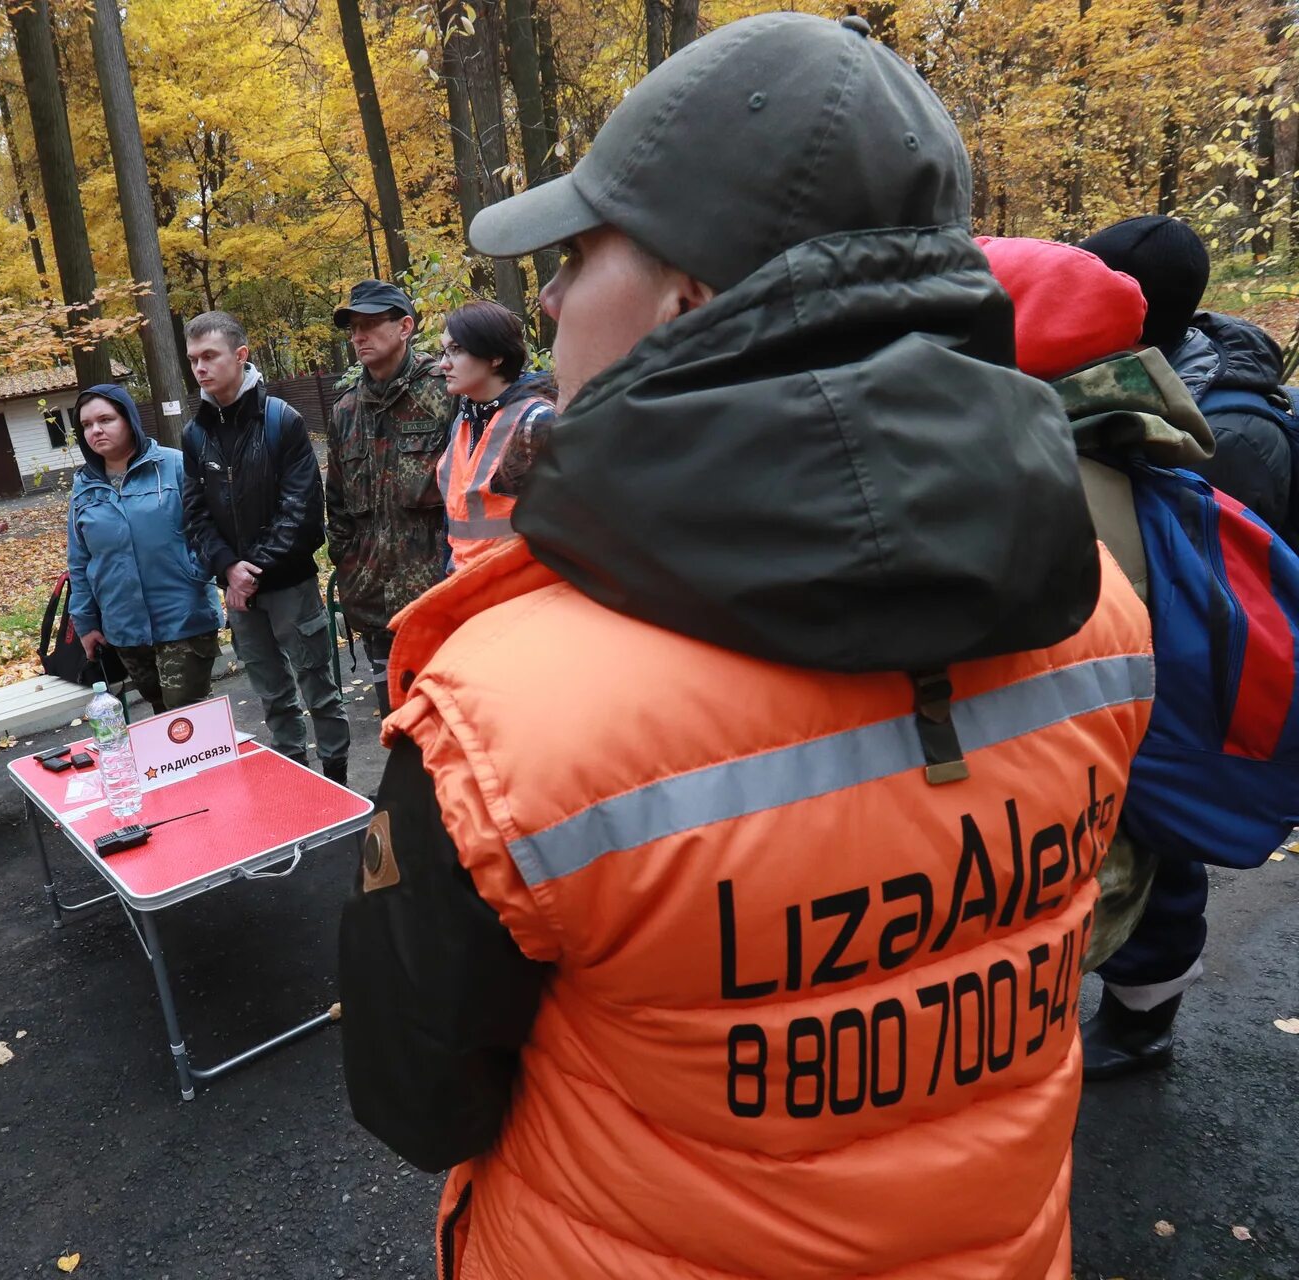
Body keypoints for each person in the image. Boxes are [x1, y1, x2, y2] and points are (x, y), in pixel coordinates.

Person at [338, 15, 1153, 1279]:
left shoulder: (504, 719)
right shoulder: (1099, 603)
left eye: (578, 252)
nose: (545, 297)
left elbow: (419, 1097)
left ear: (689, 296)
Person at [1073, 218, 1296, 1080]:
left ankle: (1143, 1021)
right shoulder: (1167, 380)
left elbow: (1210, 595)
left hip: (1185, 671)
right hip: (1155, 655)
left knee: (1159, 838)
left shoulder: (1228, 435)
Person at [180, 312, 349, 783]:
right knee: (272, 696)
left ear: (240, 356)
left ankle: (339, 784)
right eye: (193, 359)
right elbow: (195, 515)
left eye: (209, 356)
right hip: (238, 594)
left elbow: (301, 512)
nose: (200, 368)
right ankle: (297, 783)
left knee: (319, 688)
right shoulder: (195, 434)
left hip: (289, 585)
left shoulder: (282, 422)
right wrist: (228, 568)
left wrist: (248, 569)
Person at [1082, 215, 1294, 536]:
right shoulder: (1132, 373)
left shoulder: (1223, 439)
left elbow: (1201, 575)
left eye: (1080, 294)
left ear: (1122, 314)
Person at [326, 280, 454, 712]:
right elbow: (338, 505)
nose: (358, 335)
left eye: (370, 324)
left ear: (405, 327)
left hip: (440, 597)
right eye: (353, 327)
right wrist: (348, 567)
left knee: (453, 722)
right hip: (374, 601)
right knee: (398, 724)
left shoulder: (444, 393)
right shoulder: (345, 410)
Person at [66, 383, 222, 714]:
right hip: (124, 627)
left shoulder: (174, 466)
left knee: (188, 716)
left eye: (105, 419)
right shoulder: (83, 488)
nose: (95, 430)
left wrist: (196, 572)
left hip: (183, 615)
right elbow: (80, 561)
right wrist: (85, 623)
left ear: (129, 420)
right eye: (86, 425)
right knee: (161, 714)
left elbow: (210, 529)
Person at [434, 300, 555, 572]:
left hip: (515, 595)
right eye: (443, 351)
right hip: (466, 588)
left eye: (455, 350)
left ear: (495, 356)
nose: (443, 364)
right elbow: (454, 521)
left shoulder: (536, 422)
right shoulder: (465, 421)